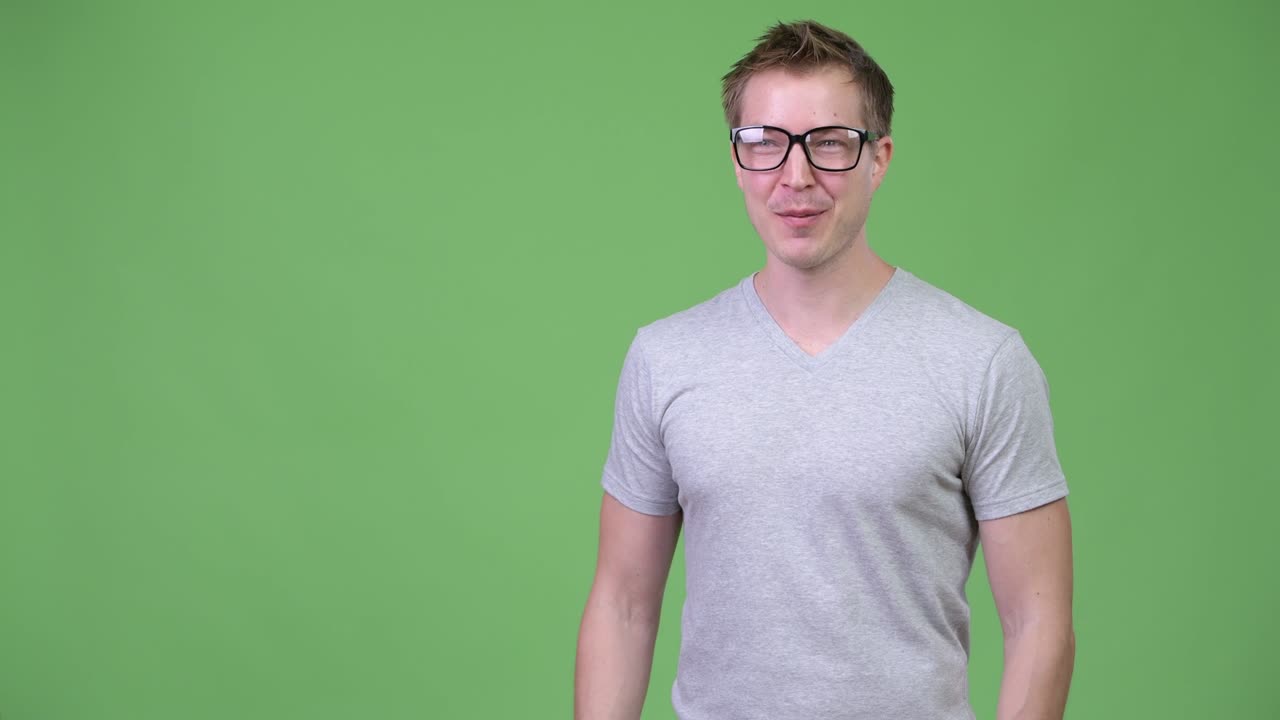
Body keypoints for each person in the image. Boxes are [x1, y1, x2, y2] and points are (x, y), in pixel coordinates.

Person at [574, 19, 1074, 720]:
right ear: (737, 159)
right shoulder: (665, 358)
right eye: (765, 142)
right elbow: (623, 605)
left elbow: (1038, 622)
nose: (796, 176)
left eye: (830, 142)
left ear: (879, 158)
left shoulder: (982, 361)